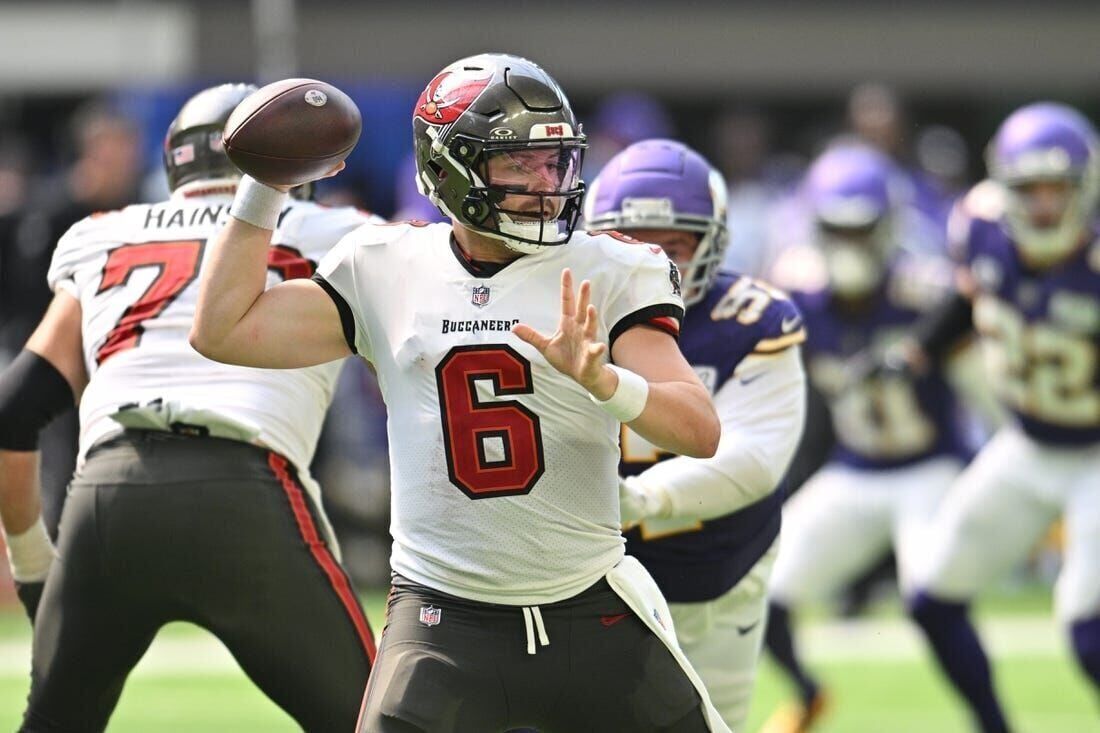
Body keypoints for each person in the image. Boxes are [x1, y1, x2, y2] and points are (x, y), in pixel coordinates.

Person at [191, 53, 727, 732]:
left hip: (592, 607)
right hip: (444, 622)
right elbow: (225, 330)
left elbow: (701, 429)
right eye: (517, 163)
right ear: (453, 171)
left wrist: (607, 381)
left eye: (553, 160)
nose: (545, 182)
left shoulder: (608, 268)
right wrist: (263, 187)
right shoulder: (386, 266)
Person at [0, 83, 379, 732]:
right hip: (246, 491)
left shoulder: (106, 234)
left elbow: (14, 411)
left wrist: (36, 568)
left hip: (108, 494)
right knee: (378, 720)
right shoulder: (342, 232)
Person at [584, 138, 807, 731]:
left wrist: (637, 499)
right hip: (587, 566)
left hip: (715, 568)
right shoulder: (565, 308)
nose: (651, 261)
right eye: (630, 241)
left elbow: (754, 459)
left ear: (712, 242)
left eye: (674, 245)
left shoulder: (750, 321)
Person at [900, 102, 1100, 733]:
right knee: (933, 597)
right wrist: (921, 346)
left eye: (1056, 189)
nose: (1042, 205)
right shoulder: (980, 223)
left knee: (1086, 627)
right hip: (1029, 442)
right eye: (1028, 189)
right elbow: (973, 290)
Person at [759, 144, 971, 733]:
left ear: (889, 226)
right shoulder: (796, 292)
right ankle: (807, 694)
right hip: (853, 470)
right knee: (755, 586)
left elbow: (981, 343)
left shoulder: (926, 290)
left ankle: (993, 720)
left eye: (863, 230)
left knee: (932, 599)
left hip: (930, 468)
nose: (850, 244)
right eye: (837, 230)